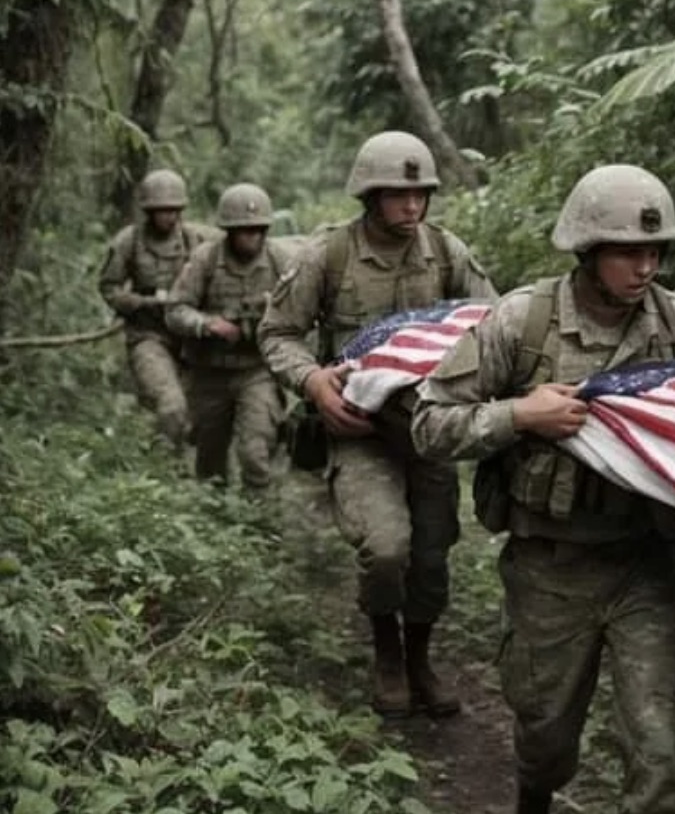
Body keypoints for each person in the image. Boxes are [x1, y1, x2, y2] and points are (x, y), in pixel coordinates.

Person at [412, 163, 675, 814]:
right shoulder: (521, 323)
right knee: (546, 735)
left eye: (655, 251)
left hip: (646, 562)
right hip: (549, 567)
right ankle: (534, 794)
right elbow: (428, 424)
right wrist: (517, 416)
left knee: (660, 746)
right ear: (588, 250)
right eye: (627, 252)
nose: (644, 267)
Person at [257, 130, 497, 721]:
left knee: (433, 552)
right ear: (369, 195)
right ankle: (387, 650)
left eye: (420, 193)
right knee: (387, 547)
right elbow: (277, 333)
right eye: (397, 193)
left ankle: (420, 656)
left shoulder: (446, 252)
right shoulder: (329, 255)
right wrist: (313, 381)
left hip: (429, 430)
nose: (412, 205)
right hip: (360, 432)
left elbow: (496, 324)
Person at [165, 182, 291, 492]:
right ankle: (215, 525)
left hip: (256, 370)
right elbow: (175, 310)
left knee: (255, 451)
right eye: (246, 231)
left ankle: (261, 527)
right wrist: (208, 325)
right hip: (209, 372)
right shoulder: (206, 259)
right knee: (210, 459)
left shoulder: (280, 260)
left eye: (260, 229)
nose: (254, 237)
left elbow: (302, 312)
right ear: (230, 231)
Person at [98, 167, 214, 452]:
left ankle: (189, 475)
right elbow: (109, 288)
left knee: (201, 414)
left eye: (174, 210)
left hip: (189, 339)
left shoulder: (195, 240)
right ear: (149, 211)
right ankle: (165, 473)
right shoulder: (129, 241)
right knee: (171, 404)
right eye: (162, 210)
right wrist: (142, 302)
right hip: (148, 336)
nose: (169, 217)